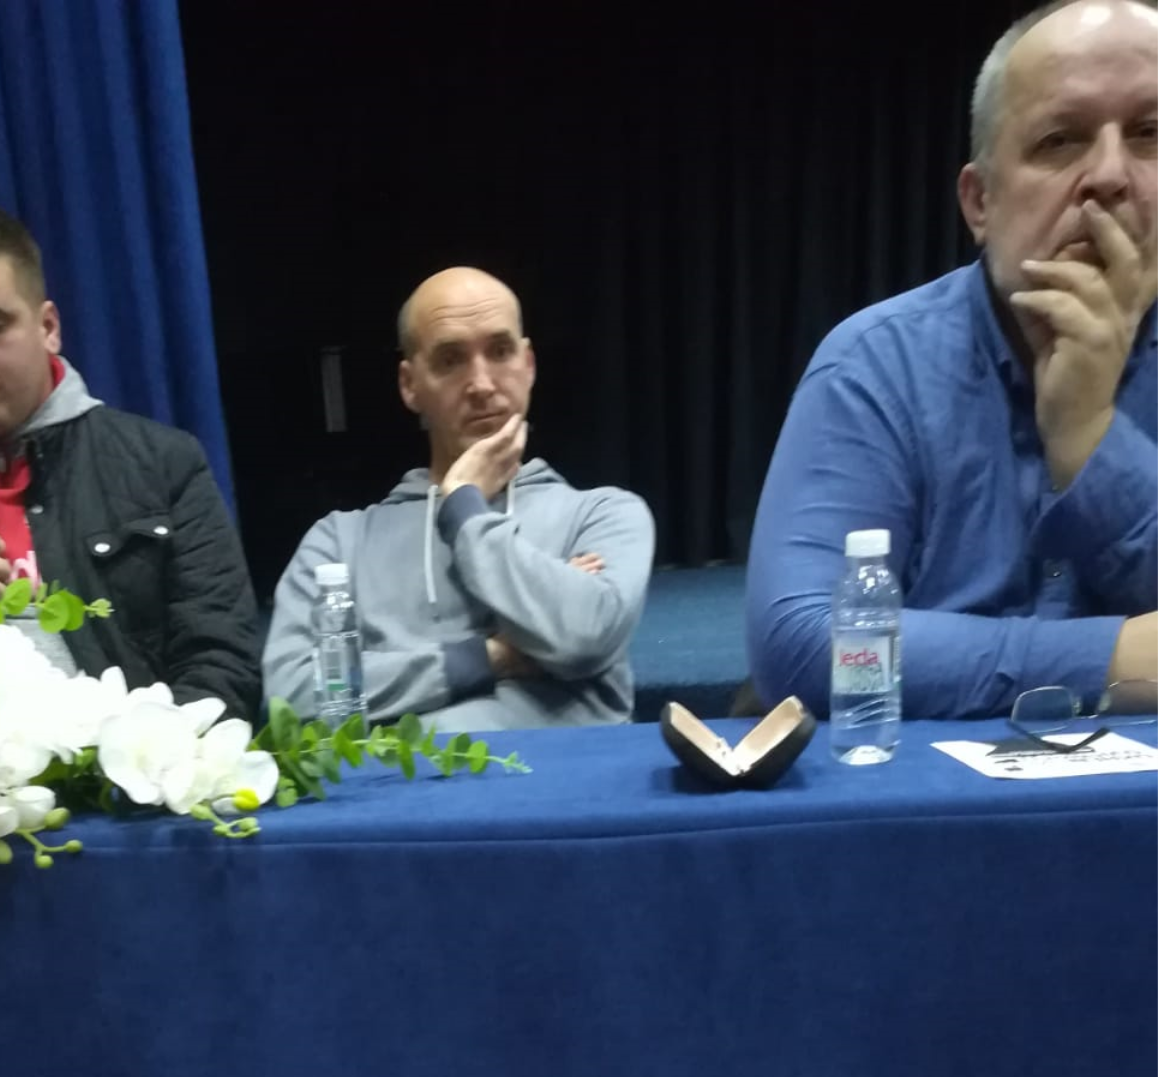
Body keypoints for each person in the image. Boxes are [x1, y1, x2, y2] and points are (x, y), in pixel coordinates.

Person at [747, 0, 1158, 719]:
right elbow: (804, 641)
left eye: (1150, 134)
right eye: (1060, 140)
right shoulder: (875, 364)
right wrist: (1115, 658)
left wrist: (1089, 433)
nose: (1109, 176)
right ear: (980, 202)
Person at [0, 201, 261, 721]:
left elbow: (223, 667)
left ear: (48, 327)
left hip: (109, 766)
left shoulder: (161, 465)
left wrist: (126, 755)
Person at [263, 267, 654, 730]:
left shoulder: (604, 514)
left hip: (565, 776)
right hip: (396, 779)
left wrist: (465, 510)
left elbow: (584, 636)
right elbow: (291, 696)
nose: (482, 384)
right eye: (450, 360)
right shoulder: (339, 542)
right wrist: (489, 657)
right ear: (410, 385)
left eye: (500, 351)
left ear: (528, 365)